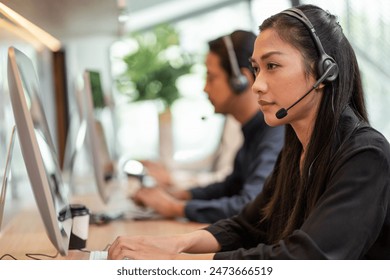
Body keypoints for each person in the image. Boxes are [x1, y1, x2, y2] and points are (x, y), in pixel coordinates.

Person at [108, 4, 390, 260]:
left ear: (323, 72)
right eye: (257, 69)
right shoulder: (297, 151)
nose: (257, 84)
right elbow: (247, 225)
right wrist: (174, 245)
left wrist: (184, 264)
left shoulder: (364, 155)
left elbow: (306, 260)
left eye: (272, 66)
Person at [132, 30, 285, 223]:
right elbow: (230, 187)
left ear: (241, 81)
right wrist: (182, 195)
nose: (205, 88)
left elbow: (249, 203)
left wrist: (174, 207)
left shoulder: (274, 133)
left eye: (211, 77)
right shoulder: (253, 130)